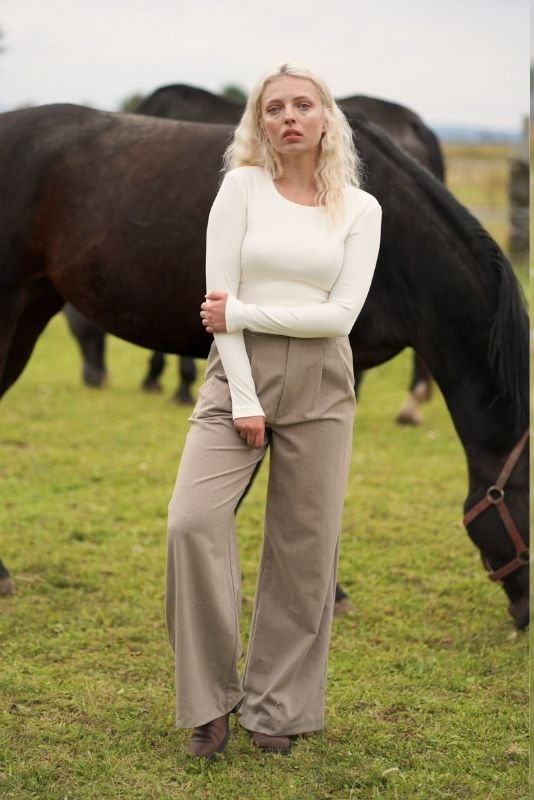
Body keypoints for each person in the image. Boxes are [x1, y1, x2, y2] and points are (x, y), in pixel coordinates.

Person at [166, 63, 381, 758]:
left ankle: (277, 707)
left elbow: (340, 316)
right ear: (259, 123)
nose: (289, 117)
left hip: (322, 380)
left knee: (305, 549)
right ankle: (209, 703)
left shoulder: (361, 210)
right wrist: (245, 396)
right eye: (274, 108)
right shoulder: (241, 188)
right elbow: (216, 303)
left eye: (303, 105)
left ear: (326, 118)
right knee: (191, 522)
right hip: (237, 372)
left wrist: (245, 312)